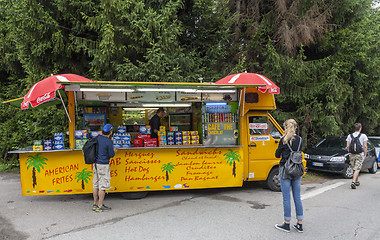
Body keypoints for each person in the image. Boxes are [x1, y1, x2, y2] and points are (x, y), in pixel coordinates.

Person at [274, 119, 304, 233]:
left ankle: (286, 224)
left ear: (285, 127)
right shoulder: (300, 140)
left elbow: (277, 155)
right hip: (297, 170)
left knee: (286, 198)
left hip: (285, 170)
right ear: (295, 127)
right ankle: (299, 224)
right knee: (297, 197)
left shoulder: (283, 140)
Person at [92, 124, 117, 212]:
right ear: (110, 132)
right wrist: (114, 151)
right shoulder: (109, 141)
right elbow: (111, 155)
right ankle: (100, 205)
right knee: (102, 186)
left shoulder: (97, 138)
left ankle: (95, 204)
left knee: (96, 184)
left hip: (95, 164)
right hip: (103, 165)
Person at [346, 123, 368, 189]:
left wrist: (349, 152)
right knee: (357, 168)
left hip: (352, 154)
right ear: (360, 128)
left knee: (354, 168)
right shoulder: (363, 136)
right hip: (359, 154)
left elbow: (347, 146)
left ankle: (357, 181)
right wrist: (365, 154)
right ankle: (353, 182)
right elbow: (365, 146)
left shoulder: (349, 136)